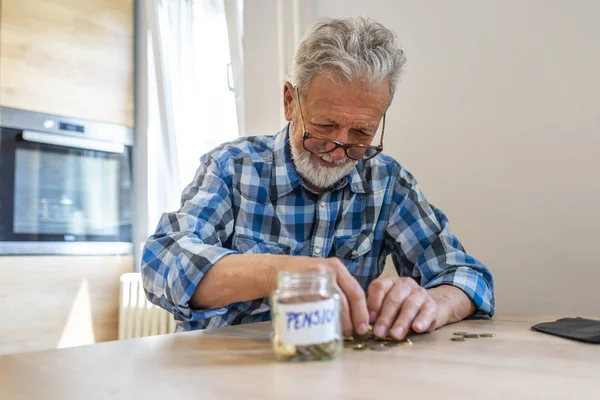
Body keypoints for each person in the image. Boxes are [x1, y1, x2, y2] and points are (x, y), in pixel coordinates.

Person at [141, 17, 494, 340]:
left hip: (337, 376)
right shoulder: (232, 168)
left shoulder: (388, 183)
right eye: (325, 126)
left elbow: (466, 276)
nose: (339, 149)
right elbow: (162, 264)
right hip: (222, 376)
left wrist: (432, 303)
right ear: (289, 102)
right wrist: (278, 273)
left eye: (361, 132)